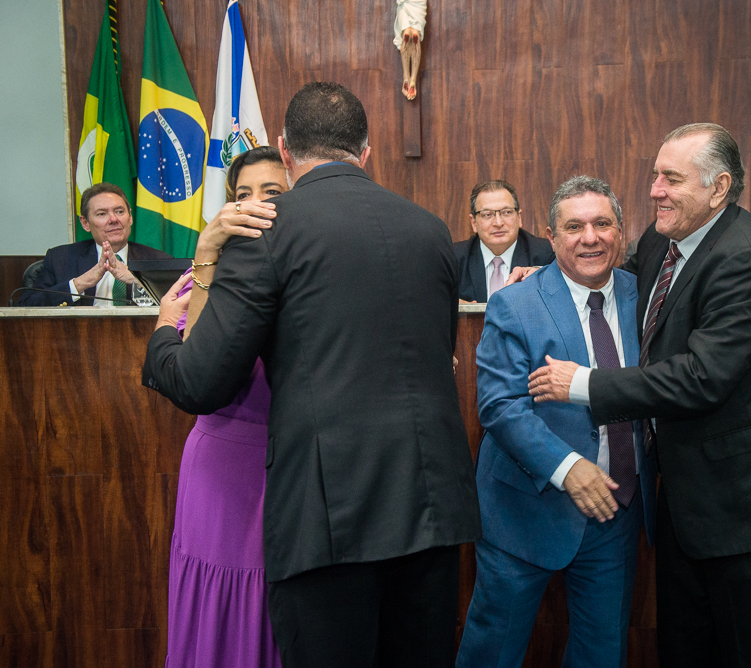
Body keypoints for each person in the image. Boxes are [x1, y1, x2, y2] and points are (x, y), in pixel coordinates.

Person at [143, 82, 480, 668]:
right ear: (366, 151)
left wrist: (162, 341)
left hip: (330, 518)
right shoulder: (430, 231)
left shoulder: (267, 232)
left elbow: (202, 383)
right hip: (430, 507)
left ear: (285, 148)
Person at [528, 123, 751, 667]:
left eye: (671, 179)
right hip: (681, 503)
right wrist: (540, 276)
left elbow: (703, 375)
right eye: (655, 175)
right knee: (686, 649)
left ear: (718, 187)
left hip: (743, 506)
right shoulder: (663, 240)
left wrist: (583, 384)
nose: (654, 189)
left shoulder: (744, 256)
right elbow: (617, 290)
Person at [456, 177, 657, 668]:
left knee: (601, 653)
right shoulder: (515, 301)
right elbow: (500, 406)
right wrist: (568, 468)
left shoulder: (647, 298)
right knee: (493, 652)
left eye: (602, 223)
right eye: (574, 226)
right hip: (524, 512)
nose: (589, 237)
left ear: (621, 230)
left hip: (617, 509)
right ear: (550, 235)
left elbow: (693, 363)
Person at [165, 146, 283, 668]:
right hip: (219, 466)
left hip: (286, 465)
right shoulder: (200, 277)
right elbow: (199, 362)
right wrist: (207, 247)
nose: (252, 205)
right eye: (241, 194)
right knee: (218, 595)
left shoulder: (309, 275)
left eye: (271, 193)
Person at [17, 182, 171, 306]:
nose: (113, 219)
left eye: (119, 211)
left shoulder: (159, 261)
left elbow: (185, 308)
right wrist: (80, 283)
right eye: (102, 214)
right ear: (85, 223)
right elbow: (25, 306)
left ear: (130, 217)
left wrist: (140, 280)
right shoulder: (60, 259)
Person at [453, 179, 555, 303]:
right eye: (487, 214)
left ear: (519, 217)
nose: (498, 223)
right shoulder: (454, 259)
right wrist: (450, 304)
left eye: (506, 212)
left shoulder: (547, 255)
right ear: (473, 223)